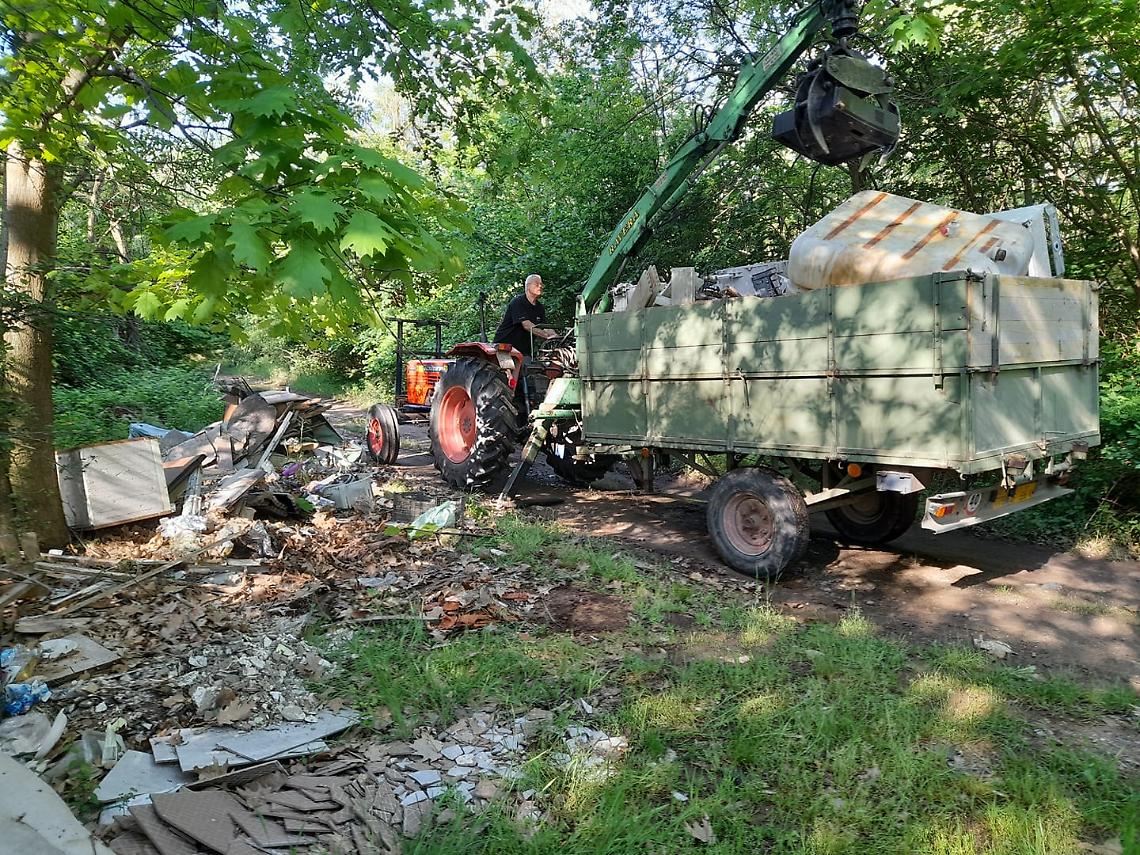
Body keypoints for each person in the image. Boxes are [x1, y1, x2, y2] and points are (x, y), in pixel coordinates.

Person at [493, 274, 558, 357]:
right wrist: (547, 337)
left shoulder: (539, 307)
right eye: (537, 284)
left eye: (541, 284)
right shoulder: (518, 302)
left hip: (524, 350)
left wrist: (556, 337)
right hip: (505, 347)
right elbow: (527, 325)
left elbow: (545, 327)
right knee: (507, 368)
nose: (540, 286)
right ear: (527, 286)